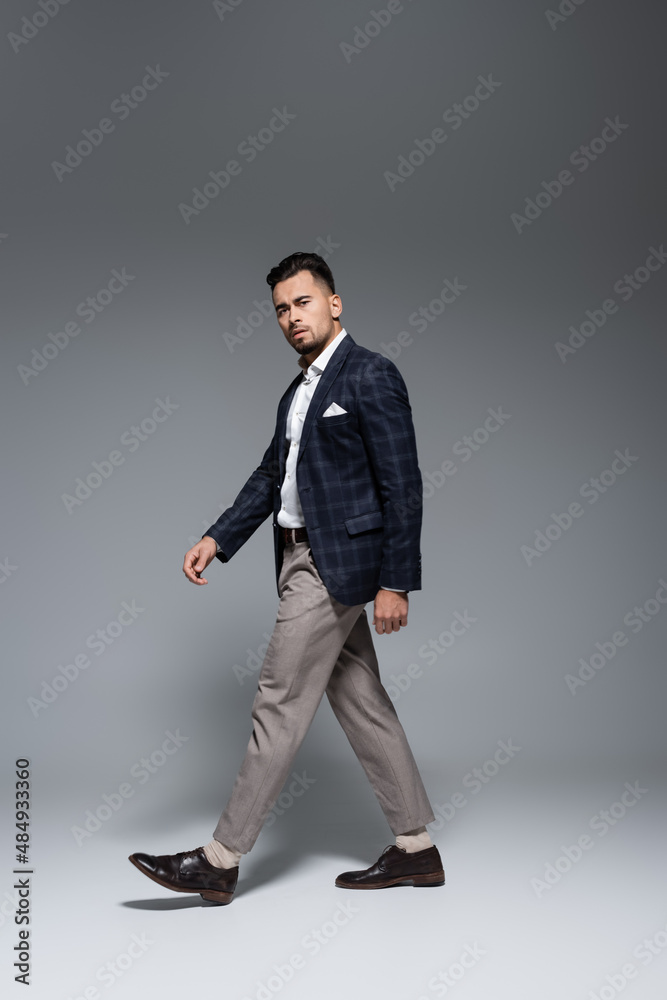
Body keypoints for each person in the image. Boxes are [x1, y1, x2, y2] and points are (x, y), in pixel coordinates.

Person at [129, 252, 444, 904]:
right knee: (361, 701)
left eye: (302, 301)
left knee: (277, 702)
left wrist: (396, 582)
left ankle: (219, 860)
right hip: (298, 557)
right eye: (280, 309)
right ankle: (416, 851)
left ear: (334, 303)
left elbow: (403, 486)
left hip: (332, 567)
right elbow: (271, 476)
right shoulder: (296, 393)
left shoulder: (370, 374)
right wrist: (218, 537)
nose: (291, 317)